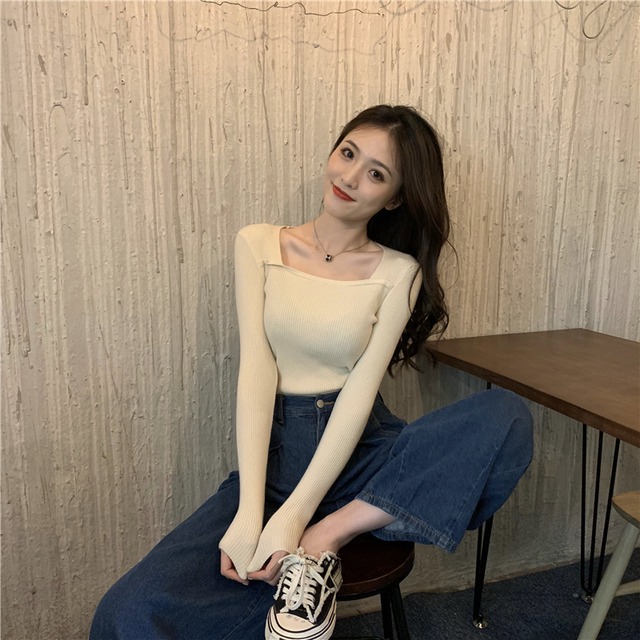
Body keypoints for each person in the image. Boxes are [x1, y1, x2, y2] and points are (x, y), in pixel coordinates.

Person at [90, 104, 533, 640]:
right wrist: (252, 512)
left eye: (376, 173)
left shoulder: (399, 272)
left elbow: (360, 393)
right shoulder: (258, 243)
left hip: (361, 452)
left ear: (394, 197)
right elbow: (257, 370)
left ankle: (325, 543)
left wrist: (304, 524)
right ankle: (303, 572)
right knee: (126, 611)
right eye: (348, 153)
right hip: (275, 462)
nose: (350, 177)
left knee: (504, 414)